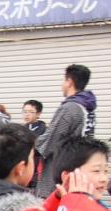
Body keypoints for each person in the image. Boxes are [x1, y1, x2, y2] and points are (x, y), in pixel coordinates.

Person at [36, 64, 96, 198]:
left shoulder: (70, 108)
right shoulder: (88, 108)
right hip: (78, 167)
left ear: (69, 82)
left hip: (59, 172)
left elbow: (51, 139)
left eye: (64, 80)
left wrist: (31, 143)